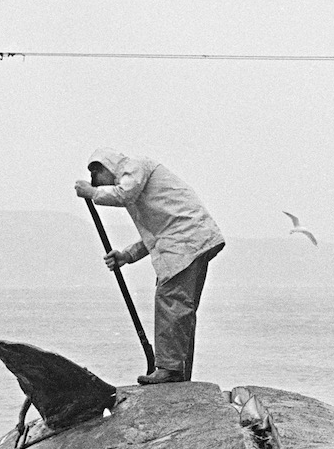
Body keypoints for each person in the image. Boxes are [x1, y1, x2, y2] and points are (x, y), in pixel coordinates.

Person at [75, 148, 225, 384]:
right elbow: (156, 233)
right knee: (180, 308)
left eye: (97, 178)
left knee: (170, 300)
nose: (99, 184)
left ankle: (170, 370)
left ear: (102, 167)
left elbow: (124, 195)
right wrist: (127, 255)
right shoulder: (138, 186)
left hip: (186, 241)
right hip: (190, 240)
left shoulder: (134, 167)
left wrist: (93, 193)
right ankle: (178, 371)